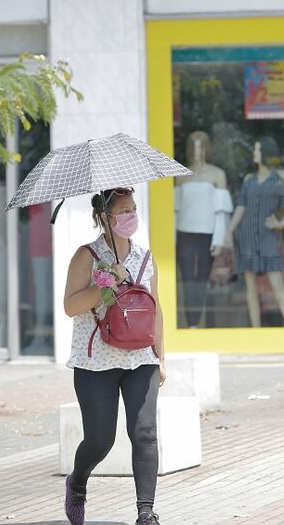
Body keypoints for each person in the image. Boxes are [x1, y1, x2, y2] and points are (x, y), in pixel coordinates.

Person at [62, 187, 165, 525]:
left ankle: (146, 512)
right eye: (123, 211)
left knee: (145, 432)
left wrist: (161, 357)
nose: (130, 216)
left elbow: (155, 309)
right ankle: (77, 482)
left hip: (140, 359)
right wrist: (106, 284)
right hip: (97, 362)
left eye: (133, 209)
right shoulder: (87, 256)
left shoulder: (145, 258)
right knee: (100, 440)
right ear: (103, 216)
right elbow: (70, 306)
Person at [225, 137, 284, 327]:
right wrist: (229, 231)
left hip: (268, 237)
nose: (254, 153)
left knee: (278, 287)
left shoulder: (278, 177)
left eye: (258, 150)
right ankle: (256, 332)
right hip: (247, 237)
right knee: (251, 290)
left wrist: (281, 222)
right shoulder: (249, 179)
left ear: (266, 153)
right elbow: (241, 206)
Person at [174, 131, 232, 328]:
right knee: (188, 280)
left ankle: (201, 323)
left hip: (208, 234)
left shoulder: (217, 174)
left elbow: (221, 211)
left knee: (202, 279)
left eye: (201, 146)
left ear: (207, 148)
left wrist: (219, 239)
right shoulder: (181, 175)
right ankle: (192, 323)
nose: (197, 151)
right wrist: (172, 238)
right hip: (185, 233)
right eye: (194, 146)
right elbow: (175, 209)